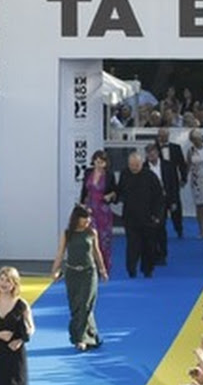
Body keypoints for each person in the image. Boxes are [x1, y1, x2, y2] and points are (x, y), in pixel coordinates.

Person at [51, 204, 107, 352]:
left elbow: (97, 252)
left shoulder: (91, 233)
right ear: (77, 218)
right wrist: (55, 270)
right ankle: (92, 336)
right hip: (72, 273)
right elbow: (60, 253)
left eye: (89, 218)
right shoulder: (67, 234)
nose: (88, 220)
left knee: (86, 305)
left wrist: (102, 269)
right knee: (76, 305)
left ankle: (81, 339)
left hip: (89, 273)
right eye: (84, 218)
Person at [117, 151, 164, 279]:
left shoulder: (150, 176)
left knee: (148, 245)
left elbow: (159, 198)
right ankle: (131, 269)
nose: (133, 168)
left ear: (142, 163)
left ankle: (147, 269)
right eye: (131, 165)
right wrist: (114, 195)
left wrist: (157, 216)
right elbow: (120, 190)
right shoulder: (125, 174)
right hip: (130, 217)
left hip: (148, 217)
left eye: (136, 165)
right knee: (132, 245)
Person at [80, 149, 117, 274]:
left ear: (106, 163)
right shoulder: (88, 172)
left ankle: (104, 267)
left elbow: (115, 191)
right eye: (97, 161)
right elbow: (84, 190)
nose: (99, 164)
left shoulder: (109, 175)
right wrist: (82, 205)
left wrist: (109, 196)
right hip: (90, 209)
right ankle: (90, 266)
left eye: (101, 162)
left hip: (103, 210)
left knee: (103, 239)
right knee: (89, 238)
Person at [146, 142, 180, 266]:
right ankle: (152, 253)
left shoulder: (168, 166)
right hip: (149, 202)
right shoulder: (144, 167)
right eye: (149, 154)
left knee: (160, 227)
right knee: (150, 229)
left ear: (157, 153)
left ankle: (162, 254)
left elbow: (174, 184)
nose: (151, 156)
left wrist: (174, 201)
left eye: (153, 153)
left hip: (164, 201)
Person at [157, 128, 188, 238]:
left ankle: (179, 229)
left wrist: (184, 178)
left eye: (165, 135)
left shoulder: (176, 148)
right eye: (161, 135)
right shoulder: (154, 148)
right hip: (159, 180)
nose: (163, 137)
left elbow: (182, 165)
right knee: (160, 207)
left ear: (168, 136)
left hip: (173, 181)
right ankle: (160, 229)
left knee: (176, 206)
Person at [187, 129, 203, 239]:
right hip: (195, 178)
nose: (196, 141)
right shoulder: (191, 150)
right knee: (198, 205)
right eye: (193, 139)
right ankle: (201, 230)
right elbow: (188, 165)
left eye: (197, 138)